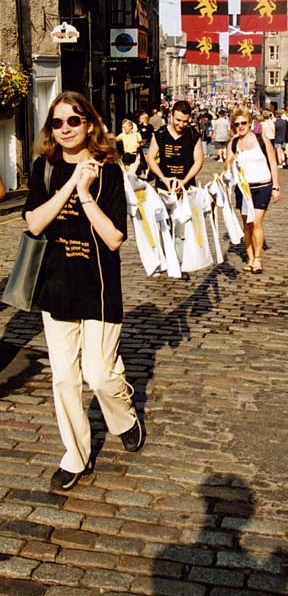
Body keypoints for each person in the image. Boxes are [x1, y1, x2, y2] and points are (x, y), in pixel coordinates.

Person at [23, 91, 142, 492]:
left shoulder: (109, 171)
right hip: (55, 284)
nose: (65, 129)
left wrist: (86, 193)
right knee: (64, 380)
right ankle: (75, 455)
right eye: (57, 123)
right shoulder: (43, 168)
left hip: (99, 286)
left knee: (98, 374)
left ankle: (123, 417)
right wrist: (70, 183)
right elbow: (35, 223)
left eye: (73, 121)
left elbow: (113, 239)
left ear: (89, 124)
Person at [146, 100, 203, 266]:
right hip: (163, 188)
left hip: (185, 188)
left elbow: (198, 161)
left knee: (181, 225)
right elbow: (150, 157)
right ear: (171, 116)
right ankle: (165, 256)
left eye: (185, 121)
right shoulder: (161, 134)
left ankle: (178, 261)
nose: (181, 124)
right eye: (178, 120)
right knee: (163, 223)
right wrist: (163, 177)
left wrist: (184, 181)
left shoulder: (193, 135)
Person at [224, 109, 280, 275]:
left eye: (243, 123)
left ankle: (258, 258)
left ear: (250, 123)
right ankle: (250, 259)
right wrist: (232, 158)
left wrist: (276, 186)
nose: (240, 126)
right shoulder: (233, 143)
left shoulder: (261, 139)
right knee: (247, 225)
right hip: (243, 188)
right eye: (237, 124)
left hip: (262, 185)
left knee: (256, 222)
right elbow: (226, 168)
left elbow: (273, 162)